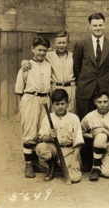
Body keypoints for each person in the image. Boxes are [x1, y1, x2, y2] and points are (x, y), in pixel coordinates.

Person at [15, 36, 52, 178]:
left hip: (45, 99)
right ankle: (28, 165)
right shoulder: (26, 66)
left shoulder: (48, 65)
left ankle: (36, 162)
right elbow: (19, 90)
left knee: (41, 131)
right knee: (30, 131)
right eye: (39, 50)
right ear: (32, 49)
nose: (42, 53)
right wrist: (23, 107)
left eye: (44, 50)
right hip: (30, 98)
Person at [73, 12, 109, 120]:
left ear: (104, 25)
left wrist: (105, 78)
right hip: (86, 89)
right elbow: (76, 68)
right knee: (85, 121)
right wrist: (84, 80)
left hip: (105, 88)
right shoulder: (81, 45)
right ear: (89, 27)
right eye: (95, 25)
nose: (98, 28)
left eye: (100, 25)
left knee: (104, 120)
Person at [21, 31, 77, 113]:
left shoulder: (73, 56)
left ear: (68, 42)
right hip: (55, 88)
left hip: (71, 88)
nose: (61, 45)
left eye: (64, 42)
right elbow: (35, 59)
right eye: (59, 43)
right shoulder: (48, 55)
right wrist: (24, 61)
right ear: (54, 43)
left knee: (70, 112)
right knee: (54, 114)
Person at [36, 89, 84, 182]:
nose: (60, 107)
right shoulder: (48, 117)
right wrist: (49, 137)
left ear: (67, 103)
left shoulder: (74, 118)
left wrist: (74, 160)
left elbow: (79, 142)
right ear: (53, 104)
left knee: (74, 178)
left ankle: (62, 164)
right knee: (40, 148)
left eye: (62, 103)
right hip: (54, 147)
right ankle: (52, 165)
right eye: (57, 104)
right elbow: (42, 137)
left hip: (69, 150)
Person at [80, 89, 109, 181]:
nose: (102, 104)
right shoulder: (89, 116)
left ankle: (102, 163)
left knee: (107, 173)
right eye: (99, 102)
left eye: (105, 102)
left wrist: (103, 130)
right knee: (100, 137)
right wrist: (92, 135)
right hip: (96, 145)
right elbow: (80, 133)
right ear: (95, 102)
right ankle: (96, 167)